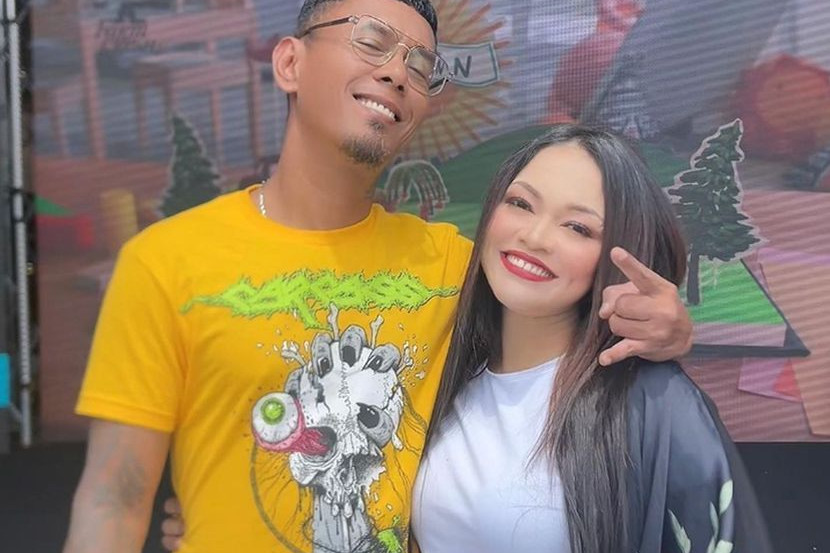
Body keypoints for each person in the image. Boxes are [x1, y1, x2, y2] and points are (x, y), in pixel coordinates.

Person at [63, 0, 692, 551]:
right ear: (290, 63)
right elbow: (112, 501)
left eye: (420, 66)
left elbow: (570, 318)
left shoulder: (452, 265)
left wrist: (670, 329)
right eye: (370, 40)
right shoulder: (165, 261)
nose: (396, 72)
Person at [410, 124, 772, 553]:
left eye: (578, 228)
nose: (534, 237)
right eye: (521, 203)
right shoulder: (439, 357)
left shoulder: (653, 403)